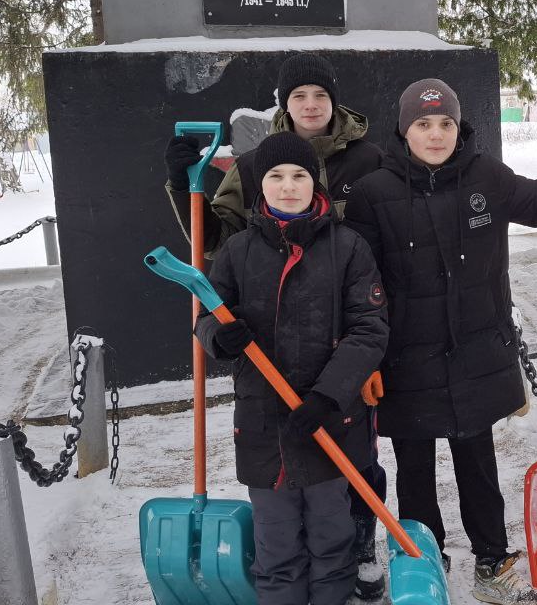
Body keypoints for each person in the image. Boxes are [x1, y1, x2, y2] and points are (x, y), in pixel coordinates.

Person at [343, 79, 537, 605]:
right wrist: (366, 360)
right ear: (405, 131)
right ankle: (424, 563)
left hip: (475, 353)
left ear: (458, 127)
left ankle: (493, 563)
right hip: (405, 360)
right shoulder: (373, 193)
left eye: (445, 123)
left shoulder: (485, 176)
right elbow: (362, 283)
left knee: (478, 465)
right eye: (424, 124)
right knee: (415, 469)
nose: (436, 134)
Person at [166, 53, 390, 600]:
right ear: (257, 184)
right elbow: (207, 315)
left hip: (329, 418)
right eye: (274, 176)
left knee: (333, 541)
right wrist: (219, 335)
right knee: (276, 546)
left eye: (299, 176)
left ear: (315, 182)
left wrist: (329, 397)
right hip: (262, 423)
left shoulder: (347, 247)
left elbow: (368, 328)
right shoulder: (239, 252)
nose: (288, 186)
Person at [165, 52, 385, 252]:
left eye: (320, 95)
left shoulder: (369, 161)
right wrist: (182, 186)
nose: (311, 104)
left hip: (352, 292)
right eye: (299, 96)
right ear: (285, 103)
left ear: (333, 101)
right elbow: (215, 241)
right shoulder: (250, 167)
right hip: (272, 293)